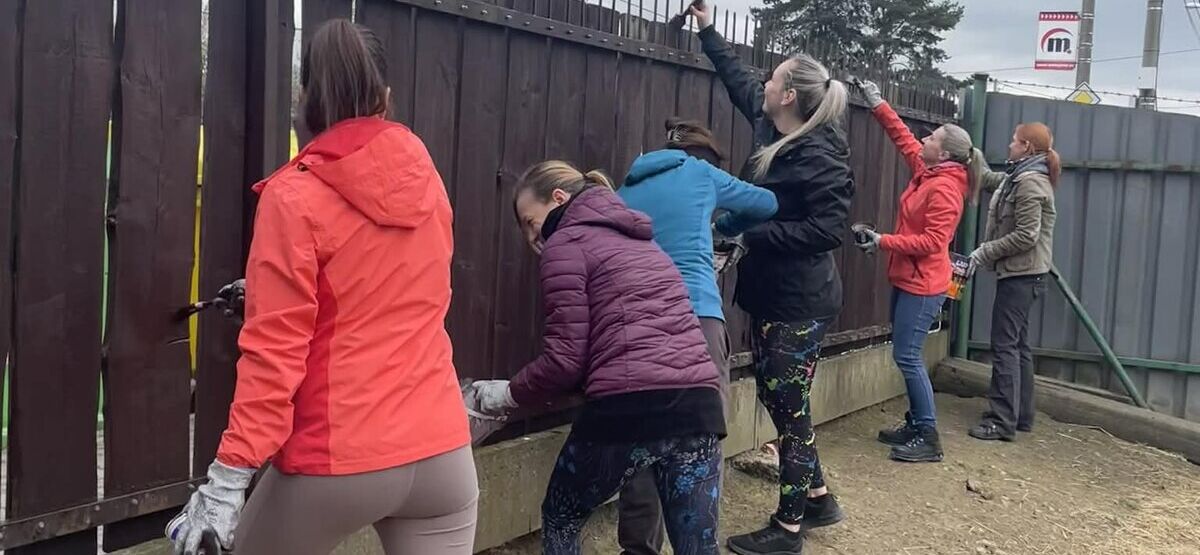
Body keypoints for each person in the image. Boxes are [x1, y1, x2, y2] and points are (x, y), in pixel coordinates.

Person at [166, 20, 476, 555]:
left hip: (340, 454)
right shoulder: (425, 176)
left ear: (304, 98)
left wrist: (229, 478)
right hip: (442, 455)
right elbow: (397, 289)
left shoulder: (293, 197)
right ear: (385, 98)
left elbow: (274, 353)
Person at [470, 161, 726, 555]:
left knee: (562, 516)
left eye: (530, 222)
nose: (531, 237)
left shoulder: (565, 244)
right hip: (699, 406)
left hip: (629, 409)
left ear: (558, 198)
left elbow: (565, 360)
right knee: (697, 549)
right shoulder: (645, 242)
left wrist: (506, 395)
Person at [690, 3, 855, 554]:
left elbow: (827, 230)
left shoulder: (821, 155)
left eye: (774, 78)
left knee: (789, 408)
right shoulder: (773, 126)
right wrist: (708, 28)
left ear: (788, 95)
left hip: (800, 302)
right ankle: (820, 498)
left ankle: (789, 528)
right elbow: (738, 79)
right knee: (780, 396)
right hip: (770, 294)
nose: (764, 82)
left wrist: (750, 233)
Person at [615, 118, 778, 555]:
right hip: (696, 318)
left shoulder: (625, 189)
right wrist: (722, 226)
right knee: (701, 440)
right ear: (703, 156)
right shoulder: (700, 173)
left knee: (640, 441)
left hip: (636, 326)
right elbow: (766, 203)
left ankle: (638, 548)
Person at [853, 80, 980, 463]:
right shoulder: (929, 172)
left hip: (924, 286)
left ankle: (928, 436)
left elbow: (932, 242)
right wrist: (878, 103)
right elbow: (904, 138)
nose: (925, 139)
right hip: (909, 279)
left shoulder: (944, 190)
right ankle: (915, 424)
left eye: (933, 137)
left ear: (944, 153)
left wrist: (883, 241)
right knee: (905, 354)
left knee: (908, 356)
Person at [967, 123, 1059, 442]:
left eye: (1014, 141)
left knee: (1005, 346)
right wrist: (972, 157)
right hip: (1024, 274)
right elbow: (992, 180)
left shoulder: (1031, 183)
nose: (1009, 145)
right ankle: (1021, 416)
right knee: (1017, 345)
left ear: (1027, 147)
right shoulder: (1019, 177)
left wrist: (984, 251)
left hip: (1022, 276)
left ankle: (1001, 420)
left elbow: (1026, 236)